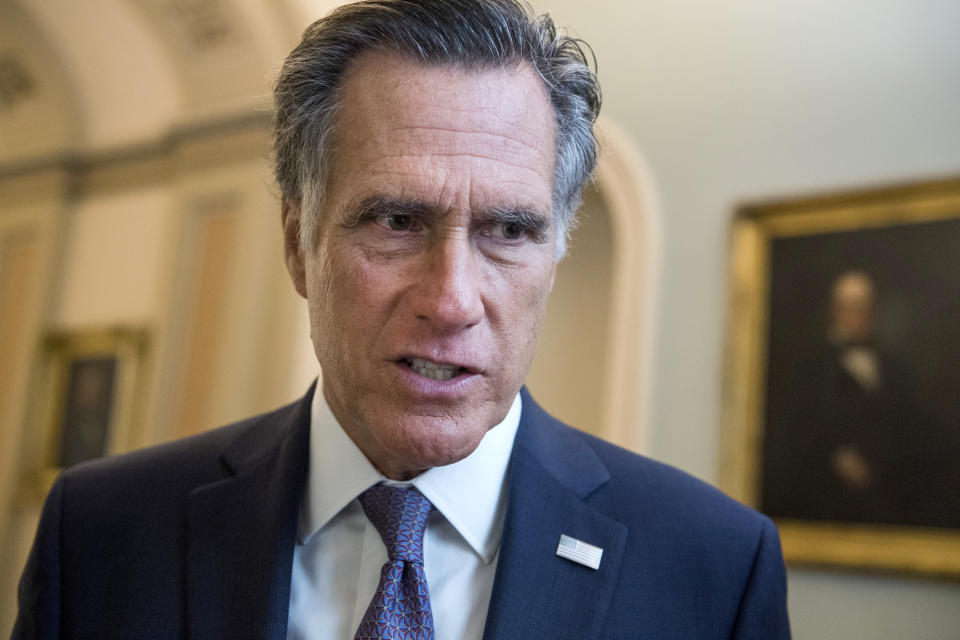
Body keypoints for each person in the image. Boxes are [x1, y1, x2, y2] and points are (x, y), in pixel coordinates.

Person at [13, 1, 790, 638]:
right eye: (394, 221)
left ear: (555, 252)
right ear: (297, 244)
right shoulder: (101, 534)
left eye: (510, 231)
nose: (451, 300)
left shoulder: (714, 567)